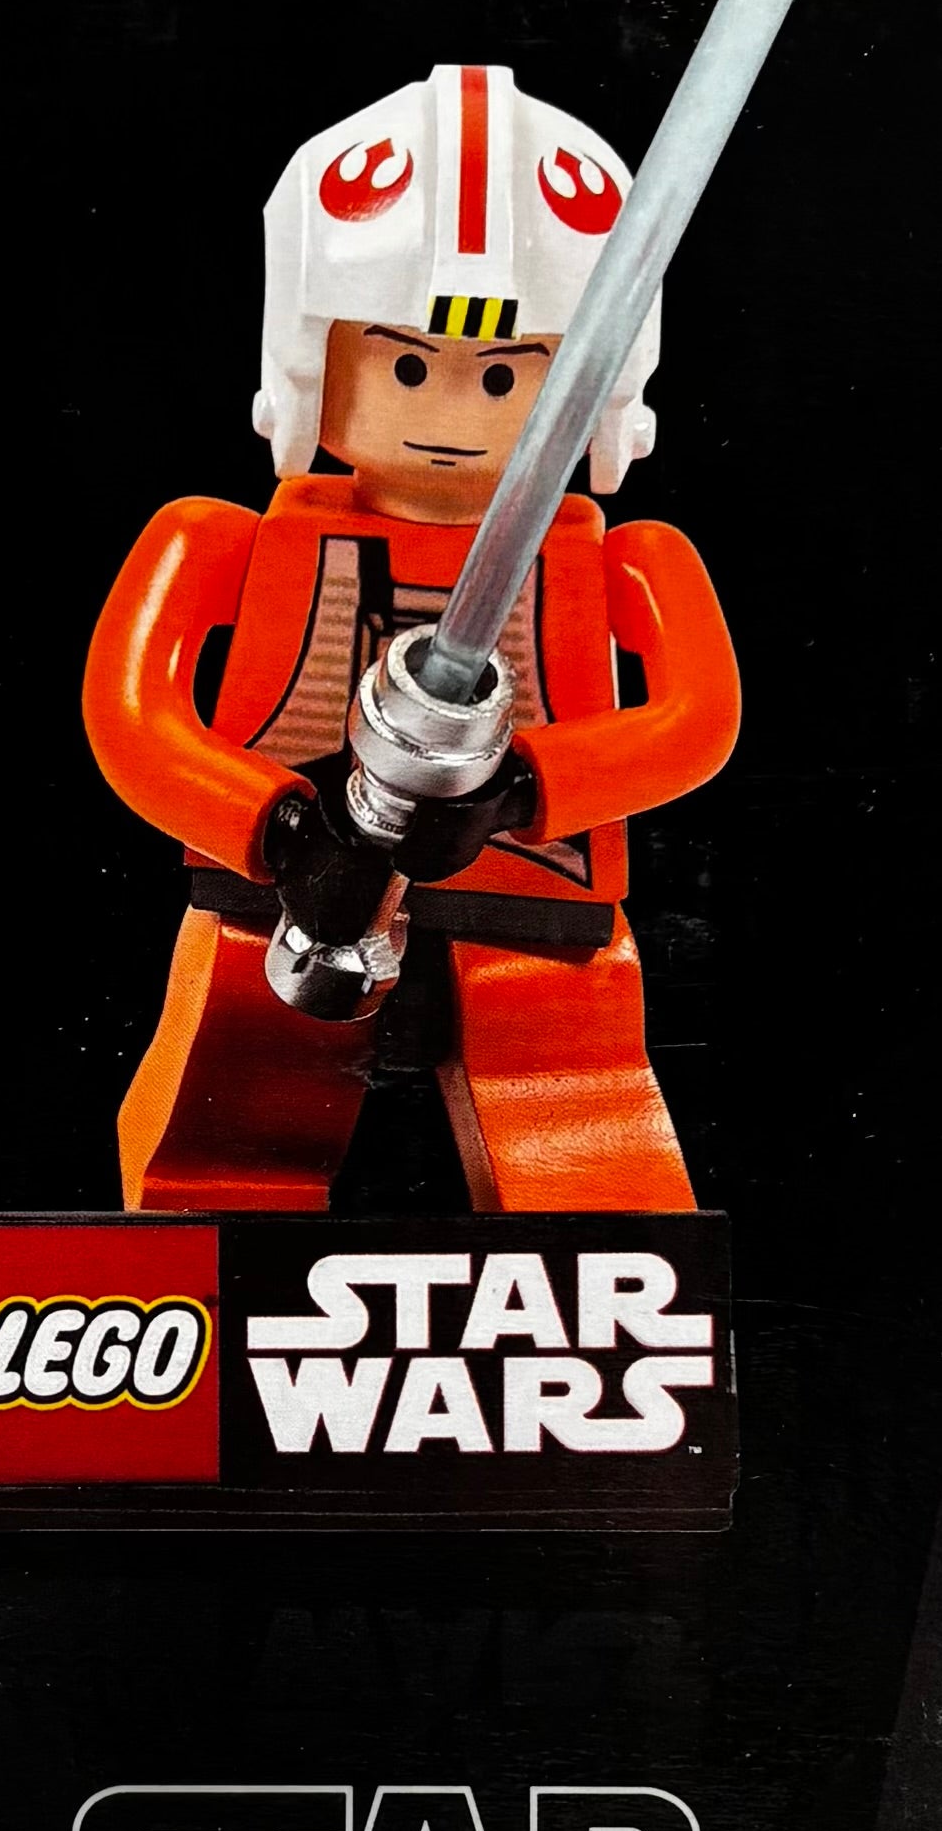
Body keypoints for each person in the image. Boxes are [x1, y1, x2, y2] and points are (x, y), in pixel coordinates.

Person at [86, 62, 738, 1215]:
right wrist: (279, 825)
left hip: (531, 905)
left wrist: (519, 791)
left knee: (583, 1149)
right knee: (224, 1147)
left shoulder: (631, 560)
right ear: (311, 360)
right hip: (282, 900)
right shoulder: (216, 540)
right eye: (403, 363)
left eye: (505, 377)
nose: (449, 412)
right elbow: (132, 717)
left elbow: (696, 721)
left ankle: (599, 1297)